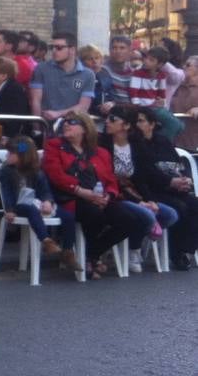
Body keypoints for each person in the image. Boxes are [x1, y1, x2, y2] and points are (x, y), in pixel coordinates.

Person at [43, 113, 145, 280]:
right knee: (94, 214)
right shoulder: (54, 146)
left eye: (72, 122)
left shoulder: (101, 152)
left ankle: (91, 254)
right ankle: (92, 259)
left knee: (129, 220)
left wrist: (108, 196)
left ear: (85, 128)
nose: (66, 125)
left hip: (100, 198)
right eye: (64, 122)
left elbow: (111, 181)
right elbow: (56, 176)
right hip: (72, 197)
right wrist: (81, 191)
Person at [100, 106, 179, 274]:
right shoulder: (103, 144)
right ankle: (134, 250)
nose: (107, 122)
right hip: (114, 193)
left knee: (170, 214)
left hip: (134, 192)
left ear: (127, 125)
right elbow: (111, 178)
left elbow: (141, 178)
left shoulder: (136, 145)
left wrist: (150, 200)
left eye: (112, 119)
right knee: (146, 214)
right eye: (107, 118)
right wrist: (140, 202)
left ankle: (135, 241)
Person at [129, 107, 198, 271]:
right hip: (149, 190)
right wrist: (170, 181)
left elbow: (176, 164)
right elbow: (144, 172)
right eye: (135, 121)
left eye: (141, 121)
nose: (137, 124)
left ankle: (186, 249)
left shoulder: (163, 141)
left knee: (195, 204)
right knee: (180, 207)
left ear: (152, 124)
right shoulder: (134, 144)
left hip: (171, 187)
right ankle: (176, 253)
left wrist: (183, 179)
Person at [0, 136, 80, 271]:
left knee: (68, 216)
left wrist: (47, 202)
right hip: (20, 204)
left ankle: (68, 251)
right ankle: (46, 240)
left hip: (37, 203)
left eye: (11, 153)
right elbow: (6, 193)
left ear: (23, 156)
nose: (8, 155)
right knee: (31, 210)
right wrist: (9, 209)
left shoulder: (37, 172)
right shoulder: (6, 171)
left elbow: (45, 190)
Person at [29, 32, 95, 121]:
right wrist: (37, 126)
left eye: (59, 48)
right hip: (46, 124)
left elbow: (83, 106)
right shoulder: (41, 69)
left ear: (72, 49)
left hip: (74, 125)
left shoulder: (88, 75)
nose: (54, 51)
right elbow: (35, 101)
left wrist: (58, 114)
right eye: (52, 47)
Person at [0, 56, 32, 140]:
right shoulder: (3, 89)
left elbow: (15, 117)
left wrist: (7, 138)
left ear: (4, 76)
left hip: (15, 141)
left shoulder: (14, 90)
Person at [170, 55, 198, 151]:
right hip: (175, 140)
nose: (184, 67)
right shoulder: (177, 85)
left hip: (193, 141)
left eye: (188, 65)